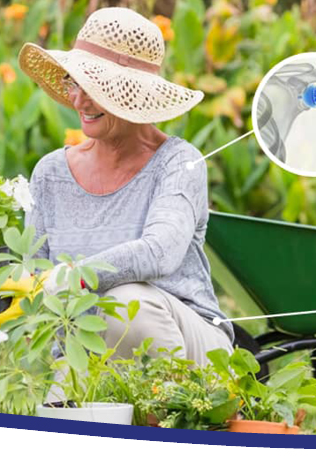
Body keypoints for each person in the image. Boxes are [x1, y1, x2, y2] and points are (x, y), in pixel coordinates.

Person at [15, 7, 234, 363]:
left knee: (126, 303)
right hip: (86, 351)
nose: (79, 101)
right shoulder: (50, 173)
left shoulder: (179, 163)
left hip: (190, 344)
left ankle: (172, 411)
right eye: (74, 82)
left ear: (133, 91)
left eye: (95, 87)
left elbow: (158, 252)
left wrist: (73, 277)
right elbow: (35, 278)